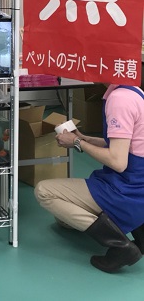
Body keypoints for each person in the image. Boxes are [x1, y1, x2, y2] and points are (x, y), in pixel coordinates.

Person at [34, 83, 144, 273]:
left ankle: (121, 246)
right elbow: (123, 143)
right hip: (139, 183)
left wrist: (77, 142)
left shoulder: (119, 99)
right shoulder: (134, 91)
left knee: (44, 191)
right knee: (63, 220)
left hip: (127, 188)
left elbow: (118, 162)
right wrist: (85, 139)